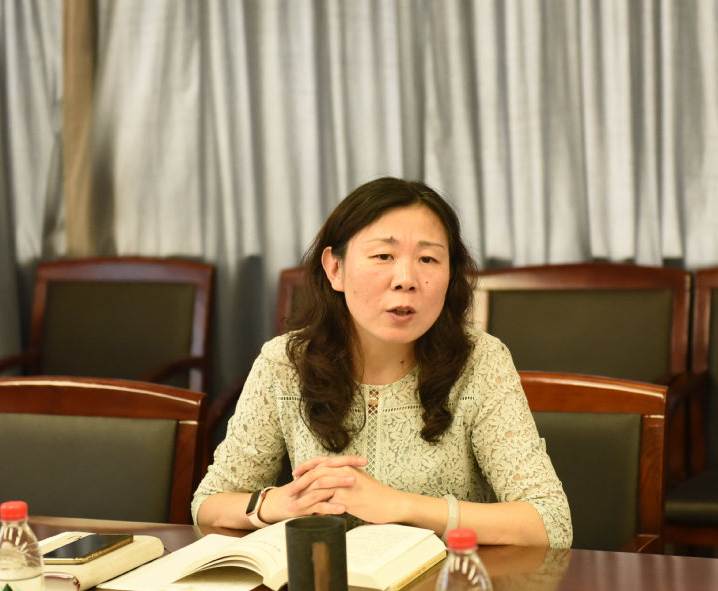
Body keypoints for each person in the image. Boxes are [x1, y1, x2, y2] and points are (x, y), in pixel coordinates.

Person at [192, 177, 572, 547]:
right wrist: (277, 503)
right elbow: (208, 505)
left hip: (444, 583)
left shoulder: (480, 361)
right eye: (383, 256)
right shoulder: (285, 362)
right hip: (324, 582)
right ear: (335, 269)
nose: (406, 279)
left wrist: (401, 506)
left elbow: (550, 522)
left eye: (428, 258)